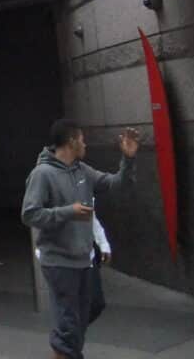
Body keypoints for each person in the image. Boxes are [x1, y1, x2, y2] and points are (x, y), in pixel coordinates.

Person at [22, 120, 139, 359]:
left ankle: (67, 348)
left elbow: (117, 183)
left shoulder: (82, 170)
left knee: (91, 308)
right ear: (72, 141)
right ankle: (66, 351)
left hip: (85, 259)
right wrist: (68, 211)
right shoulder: (42, 174)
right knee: (69, 321)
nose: (86, 144)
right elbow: (30, 214)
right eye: (83, 139)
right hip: (59, 261)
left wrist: (128, 159)